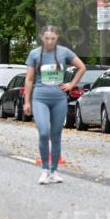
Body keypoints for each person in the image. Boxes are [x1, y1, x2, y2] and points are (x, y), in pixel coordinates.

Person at [24, 26, 86, 184]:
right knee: (44, 132)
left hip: (59, 99)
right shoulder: (35, 54)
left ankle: (54, 171)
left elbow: (82, 67)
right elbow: (29, 79)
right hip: (40, 99)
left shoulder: (64, 52)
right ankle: (44, 170)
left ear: (57, 37)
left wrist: (71, 84)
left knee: (56, 135)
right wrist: (27, 101)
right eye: (47, 38)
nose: (49, 41)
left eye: (52, 38)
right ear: (41, 37)